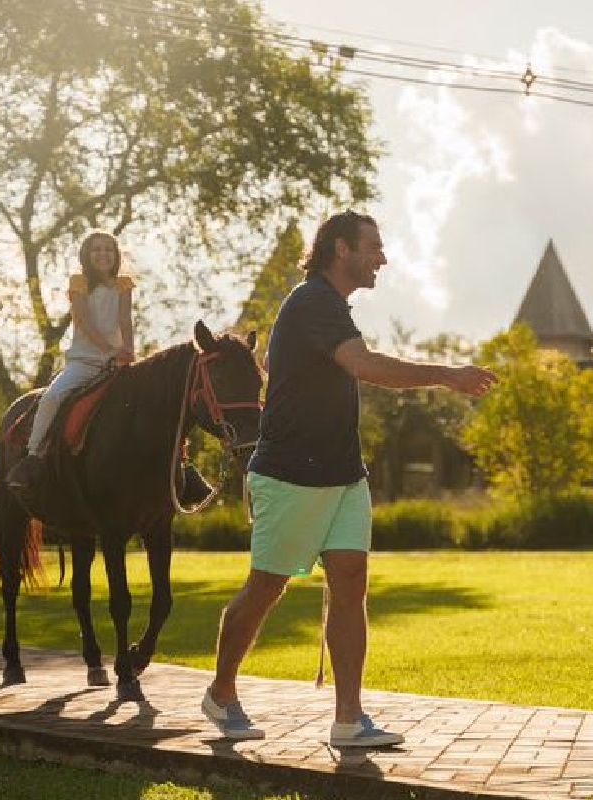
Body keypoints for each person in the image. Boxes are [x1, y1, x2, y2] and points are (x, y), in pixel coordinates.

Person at [201, 211, 497, 743]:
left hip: (341, 472)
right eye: (373, 247)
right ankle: (221, 694)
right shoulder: (312, 301)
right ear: (341, 249)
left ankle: (348, 719)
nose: (382, 258)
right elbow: (366, 366)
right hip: (291, 473)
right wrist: (447, 376)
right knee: (267, 587)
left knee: (350, 584)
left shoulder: (331, 307)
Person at [5, 231, 213, 505]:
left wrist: (128, 351)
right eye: (96, 250)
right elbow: (84, 320)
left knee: (158, 406)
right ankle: (34, 456)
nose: (103, 254)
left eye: (108, 250)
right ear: (87, 256)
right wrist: (109, 350)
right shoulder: (79, 282)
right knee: (53, 397)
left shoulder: (124, 283)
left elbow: (125, 319)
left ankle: (182, 467)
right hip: (84, 362)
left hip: (118, 362)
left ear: (116, 256)